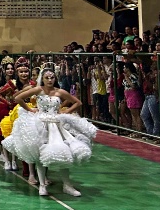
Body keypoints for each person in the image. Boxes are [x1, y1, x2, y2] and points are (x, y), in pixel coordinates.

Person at [7, 67, 97, 197]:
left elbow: (77, 102)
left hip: (56, 124)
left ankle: (67, 185)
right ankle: (42, 185)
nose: (49, 80)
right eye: (47, 78)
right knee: (40, 153)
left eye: (52, 77)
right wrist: (30, 110)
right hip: (40, 124)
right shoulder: (38, 90)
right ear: (42, 79)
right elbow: (18, 98)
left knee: (64, 151)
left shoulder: (60, 91)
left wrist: (66, 112)